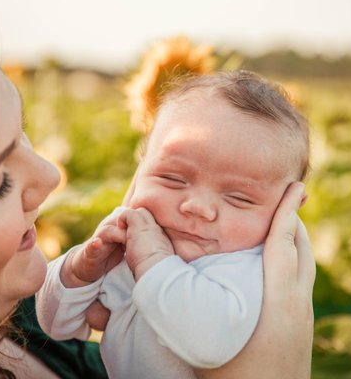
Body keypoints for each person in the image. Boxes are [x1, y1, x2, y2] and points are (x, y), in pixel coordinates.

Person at [0, 0, 315, 379]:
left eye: (23, 134)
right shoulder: (150, 252)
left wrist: (91, 270)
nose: (50, 177)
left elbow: (57, 328)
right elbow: (60, 318)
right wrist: (77, 274)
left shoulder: (243, 269)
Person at [36, 71, 310, 378]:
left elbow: (209, 345)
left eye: (238, 198)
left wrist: (154, 262)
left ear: (283, 212)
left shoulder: (250, 270)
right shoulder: (133, 238)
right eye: (172, 178)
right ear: (141, 171)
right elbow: (56, 325)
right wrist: (77, 273)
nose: (197, 208)